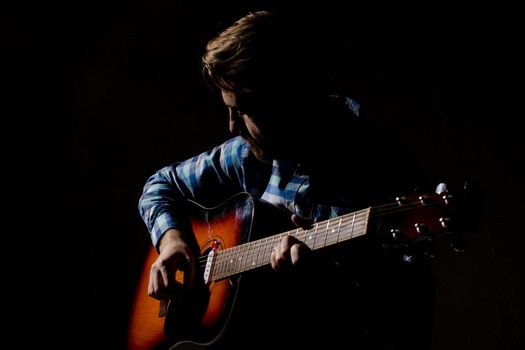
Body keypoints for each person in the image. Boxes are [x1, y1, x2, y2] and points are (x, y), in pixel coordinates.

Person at [138, 10, 435, 350]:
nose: (232, 126)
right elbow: (159, 186)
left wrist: (325, 289)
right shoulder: (244, 156)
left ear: (288, 97)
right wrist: (172, 241)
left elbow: (404, 319)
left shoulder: (381, 169)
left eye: (245, 111)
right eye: (229, 109)